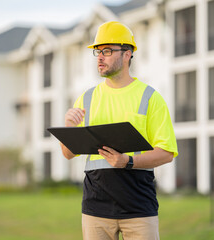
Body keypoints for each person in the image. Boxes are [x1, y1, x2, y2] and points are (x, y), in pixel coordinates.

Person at [60, 21, 178, 240]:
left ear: (127, 54)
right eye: (97, 52)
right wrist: (69, 127)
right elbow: (68, 154)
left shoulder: (150, 98)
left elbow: (167, 153)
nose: (100, 57)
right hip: (96, 210)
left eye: (107, 51)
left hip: (139, 209)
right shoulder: (86, 98)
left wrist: (128, 161)